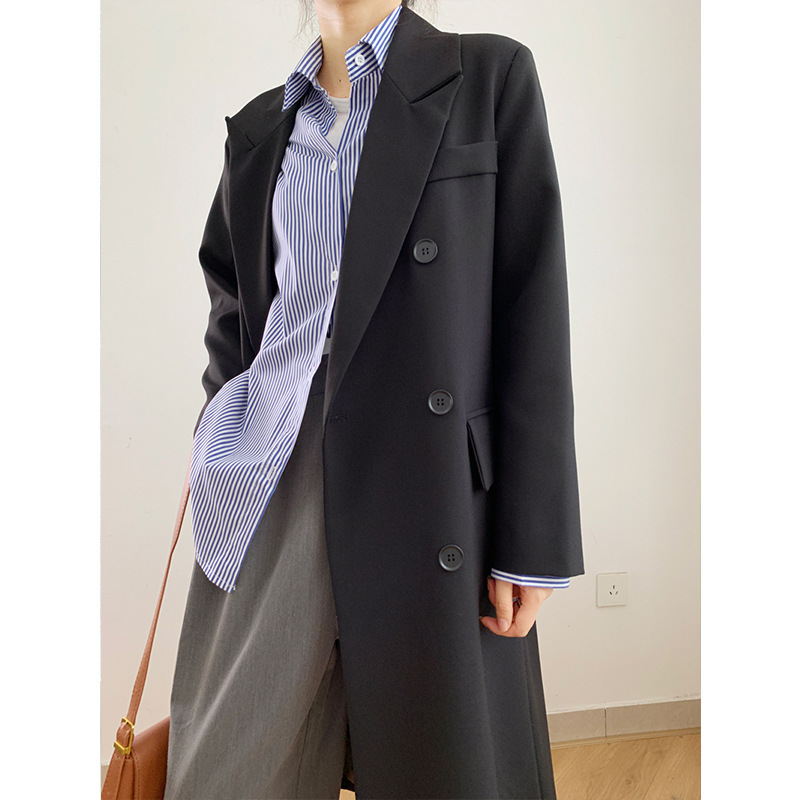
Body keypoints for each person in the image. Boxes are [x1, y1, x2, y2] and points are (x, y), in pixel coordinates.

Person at [164, 1, 585, 798]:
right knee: (228, 771)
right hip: (272, 473)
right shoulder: (259, 129)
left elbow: (533, 307)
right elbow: (235, 313)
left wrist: (534, 538)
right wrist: (218, 438)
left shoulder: (486, 77)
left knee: (439, 766)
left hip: (427, 480)